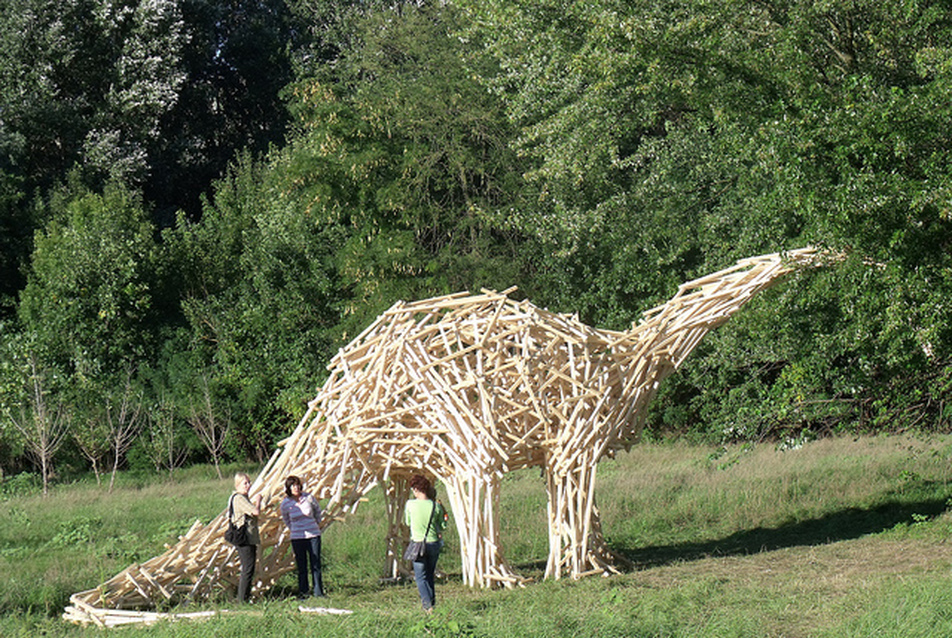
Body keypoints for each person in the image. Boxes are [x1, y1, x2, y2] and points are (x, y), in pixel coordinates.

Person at [404, 474, 447, 613]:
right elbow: (443, 525)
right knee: (429, 574)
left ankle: (427, 607)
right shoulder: (436, 506)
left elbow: (407, 522)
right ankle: (432, 604)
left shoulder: (410, 504)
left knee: (420, 577)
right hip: (434, 543)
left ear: (416, 489)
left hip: (418, 544)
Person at [280, 475, 325, 599]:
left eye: (297, 485)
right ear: (288, 488)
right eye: (293, 485)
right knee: (301, 565)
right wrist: (294, 528)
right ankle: (304, 592)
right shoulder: (286, 503)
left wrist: (316, 524)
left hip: (313, 534)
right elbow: (286, 519)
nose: (296, 487)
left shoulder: (309, 498)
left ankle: (318, 592)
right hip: (297, 537)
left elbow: (317, 511)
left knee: (315, 564)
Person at [230, 472, 263, 603]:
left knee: (249, 568)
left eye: (249, 482)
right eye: (245, 483)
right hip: (244, 538)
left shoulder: (242, 497)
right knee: (247, 569)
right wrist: (258, 501)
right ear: (237, 484)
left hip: (247, 537)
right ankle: (242, 600)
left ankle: (244, 598)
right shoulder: (239, 498)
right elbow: (255, 512)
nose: (248, 485)